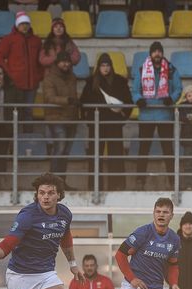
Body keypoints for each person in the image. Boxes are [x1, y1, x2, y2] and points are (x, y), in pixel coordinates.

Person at [132, 41, 182, 190]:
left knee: (168, 150)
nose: (157, 54)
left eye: (159, 51)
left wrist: (171, 99)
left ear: (162, 53)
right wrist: (138, 99)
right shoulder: (142, 69)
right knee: (143, 149)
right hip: (146, 116)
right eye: (154, 51)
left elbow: (178, 88)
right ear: (150, 53)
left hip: (165, 115)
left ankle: (173, 181)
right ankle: (140, 181)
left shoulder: (171, 70)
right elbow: (135, 90)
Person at [80, 53, 133, 191]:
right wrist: (89, 121)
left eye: (107, 65)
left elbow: (128, 102)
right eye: (103, 65)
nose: (105, 68)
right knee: (95, 156)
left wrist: (122, 118)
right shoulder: (91, 82)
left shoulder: (120, 81)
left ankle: (116, 186)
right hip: (96, 125)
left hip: (114, 124)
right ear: (99, 67)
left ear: (111, 66)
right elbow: (83, 102)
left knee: (116, 155)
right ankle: (95, 187)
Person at [0, 11, 44, 131]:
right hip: (15, 83)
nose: (24, 26)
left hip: (32, 83)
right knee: (15, 111)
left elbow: (41, 59)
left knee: (28, 111)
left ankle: (27, 137)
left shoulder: (37, 40)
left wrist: (39, 75)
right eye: (22, 24)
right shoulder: (8, 39)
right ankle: (13, 137)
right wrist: (8, 74)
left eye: (27, 23)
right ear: (17, 25)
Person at [42, 51, 79, 181]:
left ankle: (61, 182)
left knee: (65, 152)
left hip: (71, 118)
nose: (66, 64)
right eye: (63, 62)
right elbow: (49, 98)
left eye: (68, 61)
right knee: (60, 149)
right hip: (56, 118)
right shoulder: (49, 78)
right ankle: (52, 183)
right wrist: (68, 100)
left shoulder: (72, 77)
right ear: (57, 63)